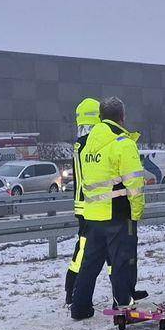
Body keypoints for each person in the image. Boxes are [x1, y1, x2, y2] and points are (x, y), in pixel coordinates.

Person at [68, 97, 148, 322]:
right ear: (122, 117)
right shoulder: (122, 143)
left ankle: (80, 308)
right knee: (121, 263)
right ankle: (124, 310)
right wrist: (137, 212)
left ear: (101, 117)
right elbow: (135, 184)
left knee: (89, 266)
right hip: (118, 214)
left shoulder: (87, 144)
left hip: (93, 215)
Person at [64, 97, 99, 306]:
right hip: (90, 207)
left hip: (84, 205)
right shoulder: (88, 144)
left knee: (84, 249)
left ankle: (72, 289)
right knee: (85, 250)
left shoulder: (79, 143)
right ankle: (73, 290)